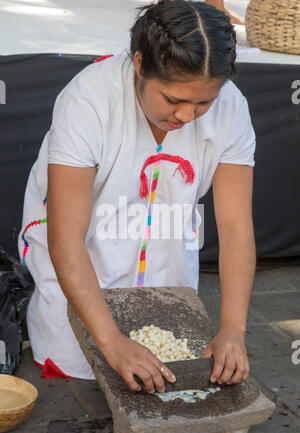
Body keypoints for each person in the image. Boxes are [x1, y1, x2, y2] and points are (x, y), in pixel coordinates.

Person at [19, 0, 256, 393]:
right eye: (172, 99)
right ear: (141, 65)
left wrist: (233, 329)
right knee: (82, 365)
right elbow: (67, 238)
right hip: (82, 254)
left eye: (203, 102)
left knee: (168, 354)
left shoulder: (232, 108)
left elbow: (234, 228)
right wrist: (110, 342)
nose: (186, 116)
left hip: (164, 255)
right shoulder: (89, 100)